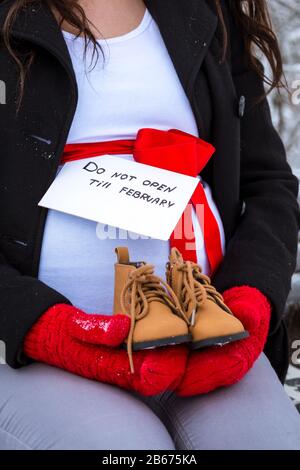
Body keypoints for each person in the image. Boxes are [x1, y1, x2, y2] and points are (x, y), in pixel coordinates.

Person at [0, 0, 300, 450]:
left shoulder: (206, 13)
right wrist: (43, 329)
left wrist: (251, 298)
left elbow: (267, 183)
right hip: (32, 357)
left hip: (204, 340)